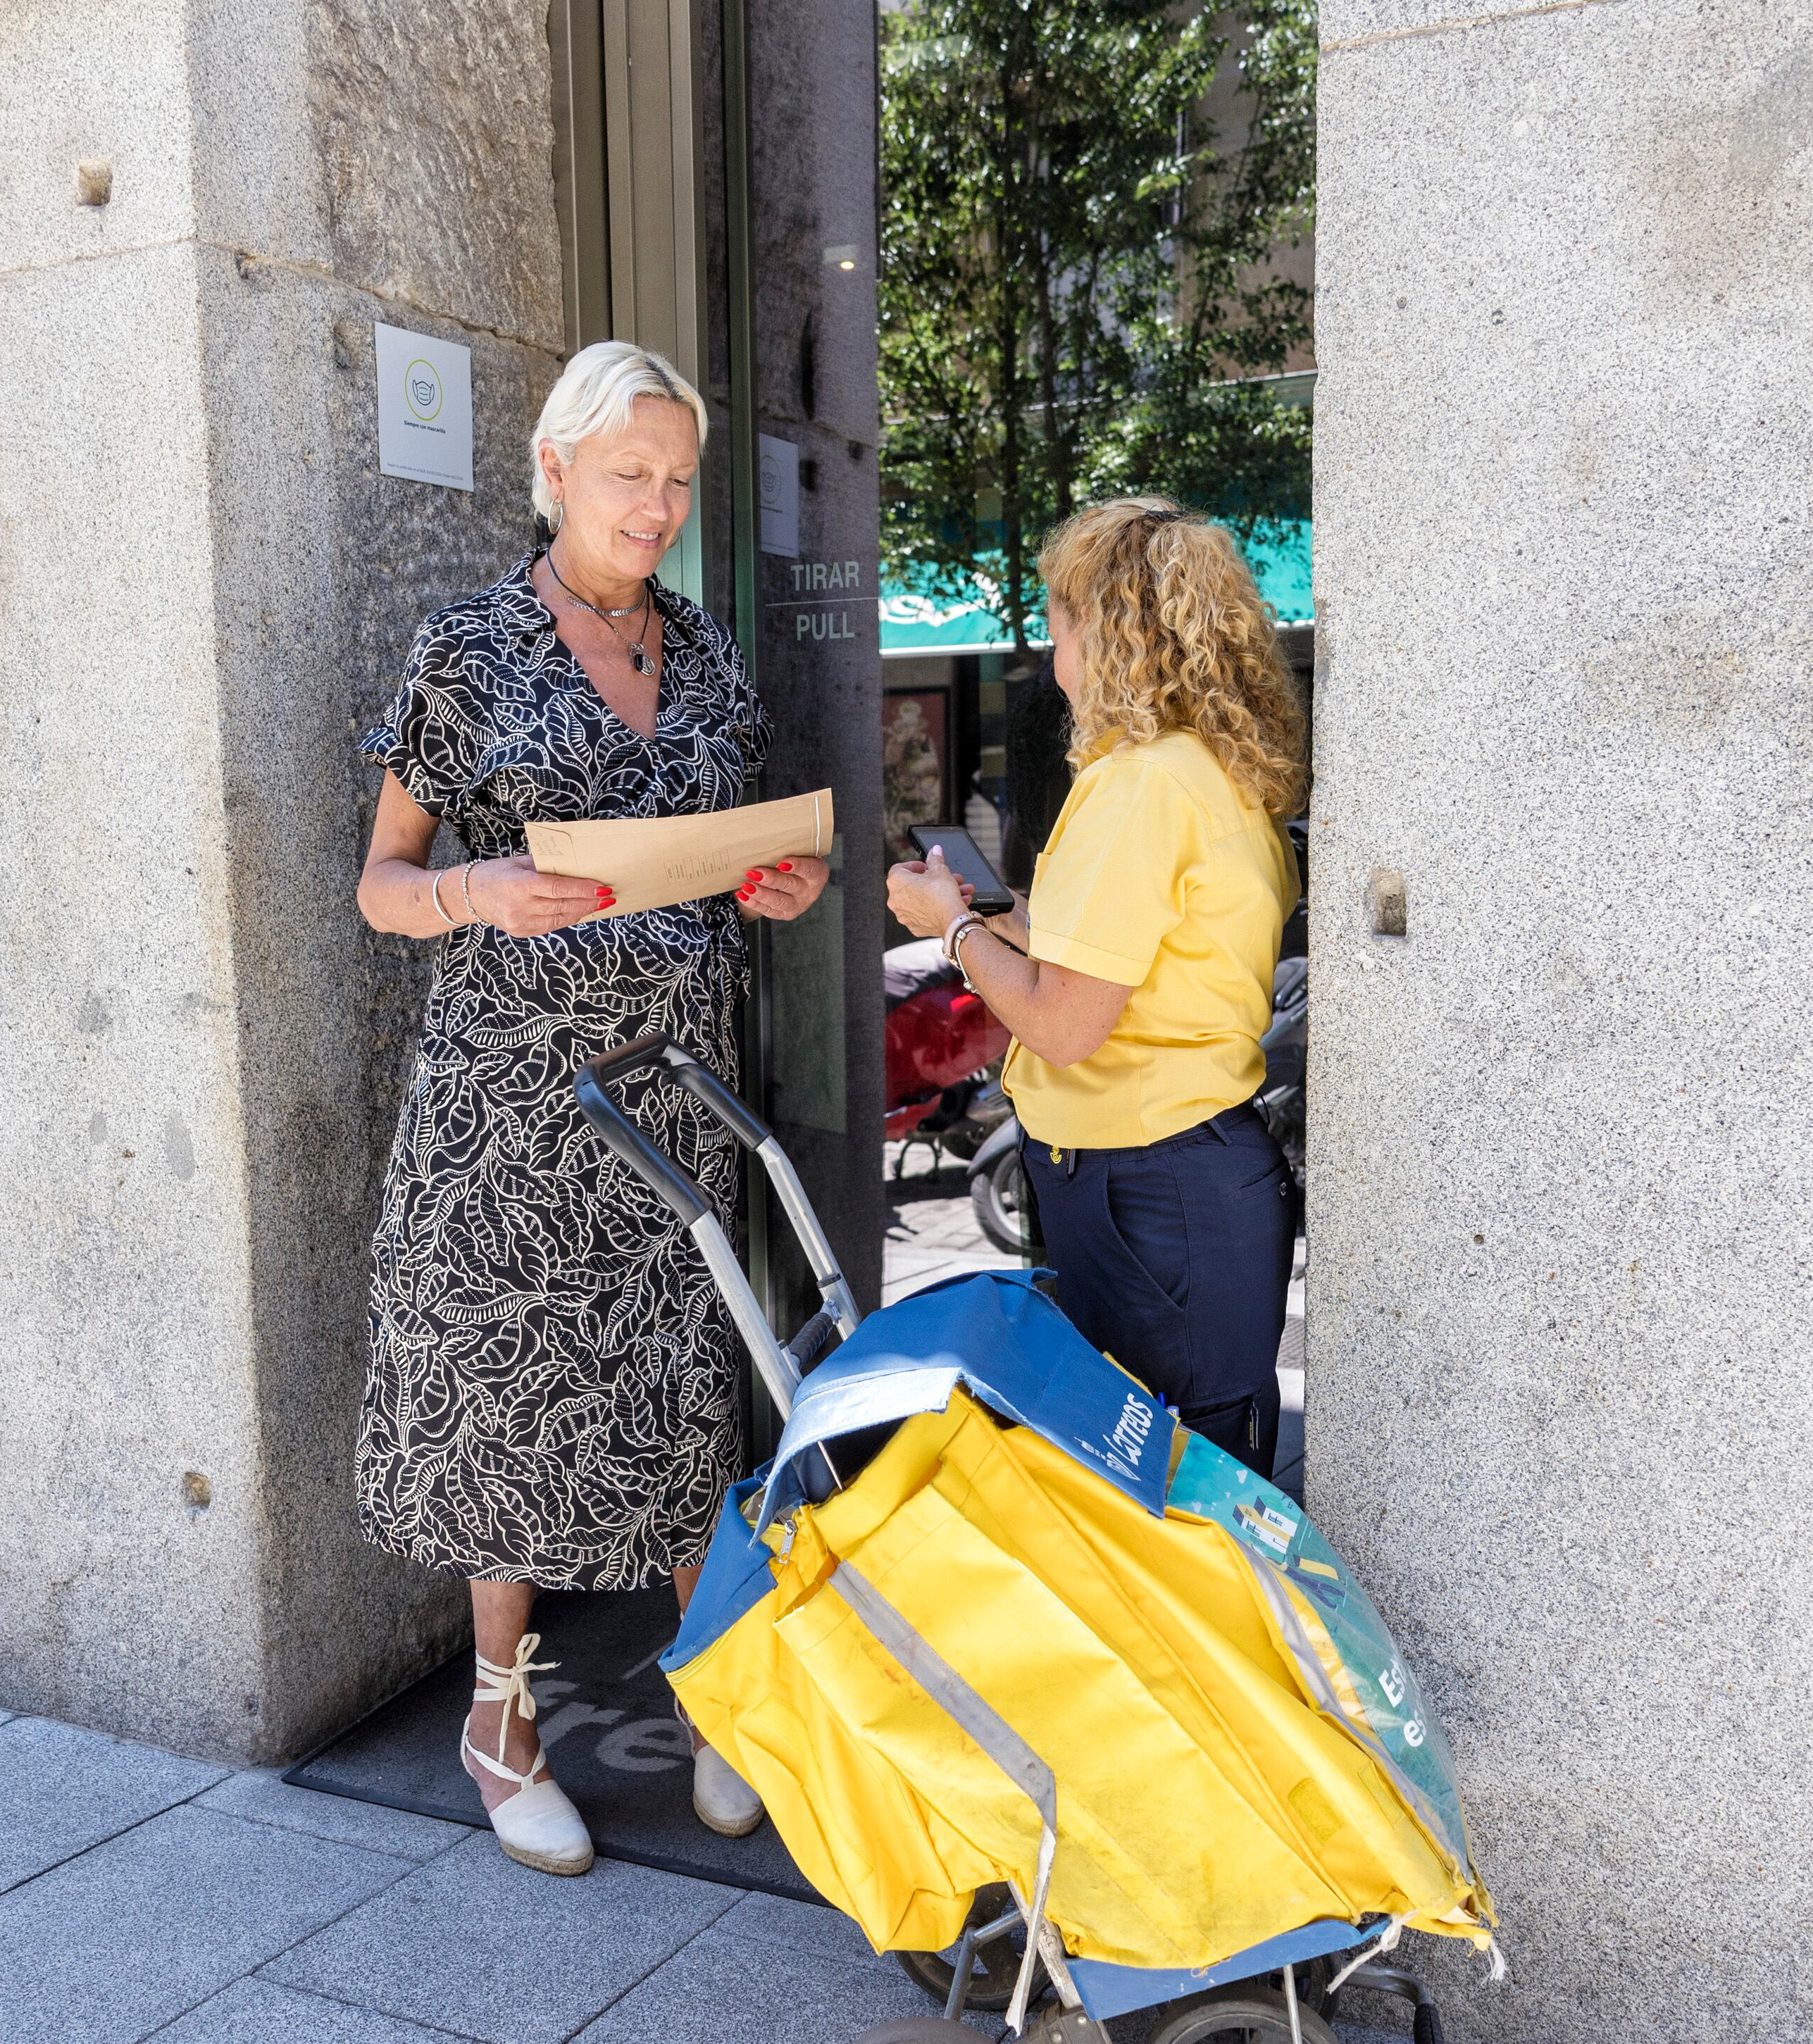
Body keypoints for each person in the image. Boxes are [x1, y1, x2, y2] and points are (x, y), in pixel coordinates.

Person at [354, 340, 830, 1875]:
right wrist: (473, 890)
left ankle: (705, 1698)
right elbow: (378, 885)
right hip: (508, 1105)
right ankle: (499, 1719)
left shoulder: (703, 653)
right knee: (511, 1406)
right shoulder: (469, 648)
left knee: (684, 1401)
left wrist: (780, 880)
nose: (661, 502)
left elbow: (740, 858)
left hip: (670, 1096)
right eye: (633, 472)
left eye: (678, 477)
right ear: (556, 470)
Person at [884, 498, 1304, 1471]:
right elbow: (1119, 947)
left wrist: (948, 928)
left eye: (1059, 624)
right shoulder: (1211, 771)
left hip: (1149, 1187)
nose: (1052, 656)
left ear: (1110, 633)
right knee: (1200, 1478)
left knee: (1160, 1491)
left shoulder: (1140, 785)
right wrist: (994, 917)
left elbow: (1063, 1023)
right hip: (1184, 1177)